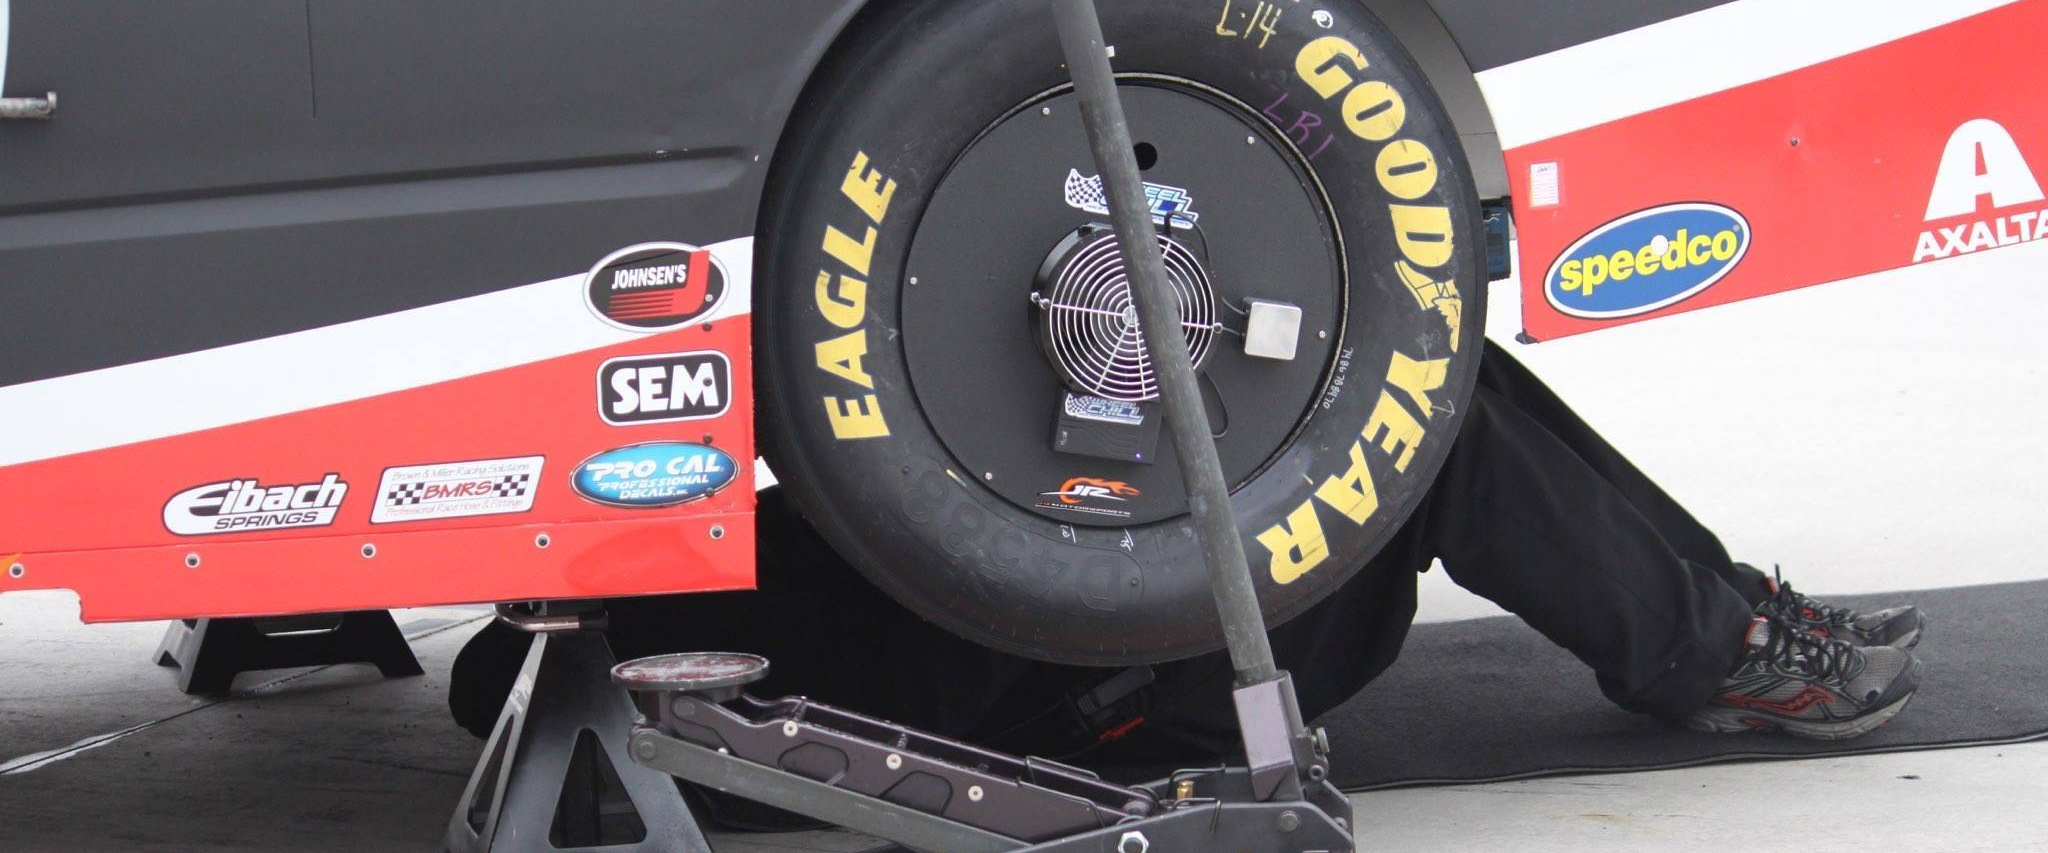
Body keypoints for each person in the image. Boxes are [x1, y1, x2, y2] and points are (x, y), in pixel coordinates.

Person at [452, 345, 1926, 764]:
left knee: (1419, 391)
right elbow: (997, 625)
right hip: (1166, 670)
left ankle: (1723, 630)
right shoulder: (714, 649)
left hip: (1131, 617)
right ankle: (1726, 647)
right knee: (1424, 415)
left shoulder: (706, 593)